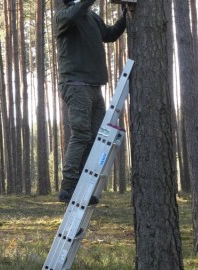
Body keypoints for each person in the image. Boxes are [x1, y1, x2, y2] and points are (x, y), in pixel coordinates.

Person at [55, 0, 127, 203]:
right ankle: (68, 187)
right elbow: (75, 12)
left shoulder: (92, 17)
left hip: (95, 87)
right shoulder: (64, 16)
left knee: (96, 137)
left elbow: (110, 35)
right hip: (76, 85)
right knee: (81, 134)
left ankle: (83, 187)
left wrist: (125, 17)